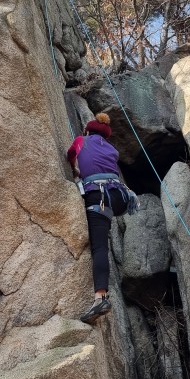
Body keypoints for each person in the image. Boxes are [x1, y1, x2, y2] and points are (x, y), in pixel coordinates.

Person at [67, 112, 129, 324]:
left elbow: (71, 158)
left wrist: (77, 172)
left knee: (99, 247)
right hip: (118, 197)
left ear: (87, 130)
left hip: (98, 194)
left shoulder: (81, 140)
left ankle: (99, 298)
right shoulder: (111, 149)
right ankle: (101, 297)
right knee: (102, 240)